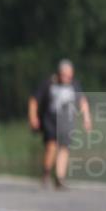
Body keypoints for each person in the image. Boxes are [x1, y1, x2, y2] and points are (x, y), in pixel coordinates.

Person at [28, 59, 92, 189]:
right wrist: (33, 117)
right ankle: (46, 173)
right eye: (65, 75)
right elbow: (34, 100)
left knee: (64, 148)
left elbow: (82, 101)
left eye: (70, 75)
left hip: (66, 121)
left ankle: (59, 178)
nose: (67, 78)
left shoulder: (74, 84)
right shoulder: (49, 83)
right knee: (51, 146)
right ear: (59, 73)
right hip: (50, 120)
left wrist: (86, 118)